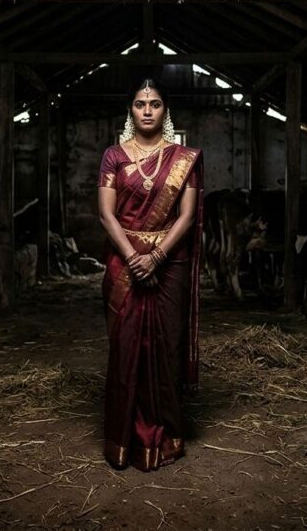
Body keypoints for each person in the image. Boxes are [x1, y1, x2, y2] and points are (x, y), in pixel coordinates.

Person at [97, 78, 204, 472]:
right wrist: (133, 258)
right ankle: (123, 440)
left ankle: (166, 436)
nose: (147, 110)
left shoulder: (183, 158)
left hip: (170, 263)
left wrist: (156, 257)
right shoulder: (113, 156)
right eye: (140, 103)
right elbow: (106, 214)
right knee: (125, 348)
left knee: (166, 347)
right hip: (124, 264)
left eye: (155, 104)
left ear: (165, 111)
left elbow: (187, 216)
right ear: (131, 109)